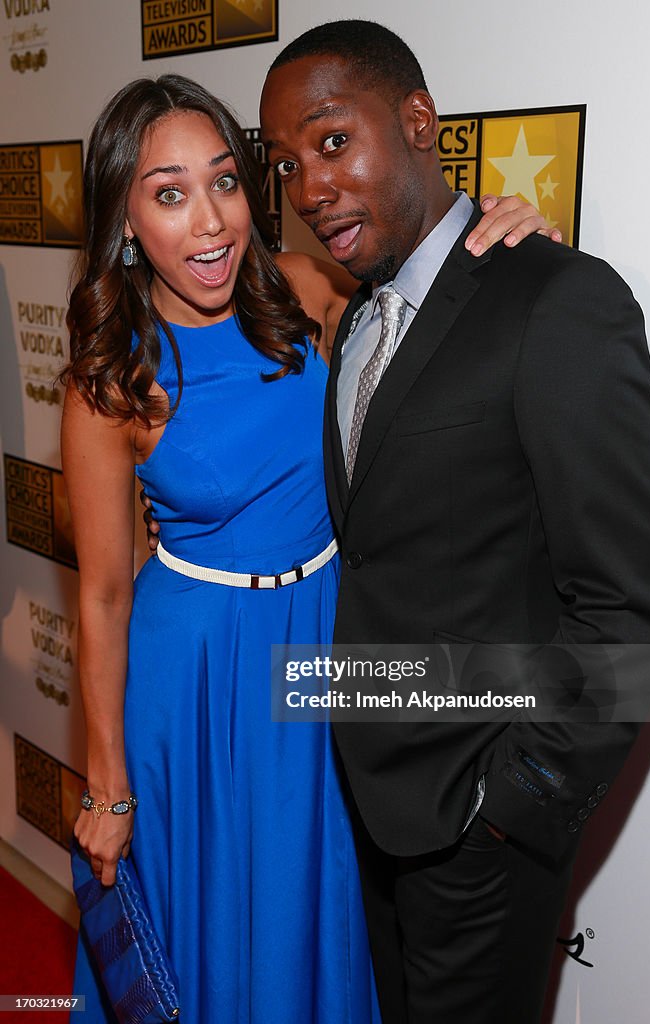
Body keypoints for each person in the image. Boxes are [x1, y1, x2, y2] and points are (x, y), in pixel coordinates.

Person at [63, 73, 547, 1023]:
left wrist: (510, 230)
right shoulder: (108, 378)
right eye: (168, 195)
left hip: (327, 638)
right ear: (125, 221)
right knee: (217, 927)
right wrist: (108, 783)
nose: (209, 222)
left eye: (225, 183)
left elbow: (444, 285)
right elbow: (105, 597)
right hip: (198, 675)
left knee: (317, 902)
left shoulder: (305, 290)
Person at [256, 19, 650, 1024]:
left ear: (415, 122)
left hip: (477, 832)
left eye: (329, 142)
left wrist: (509, 807)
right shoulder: (357, 316)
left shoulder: (556, 301)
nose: (308, 188)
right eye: (284, 164)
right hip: (369, 805)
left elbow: (629, 610)